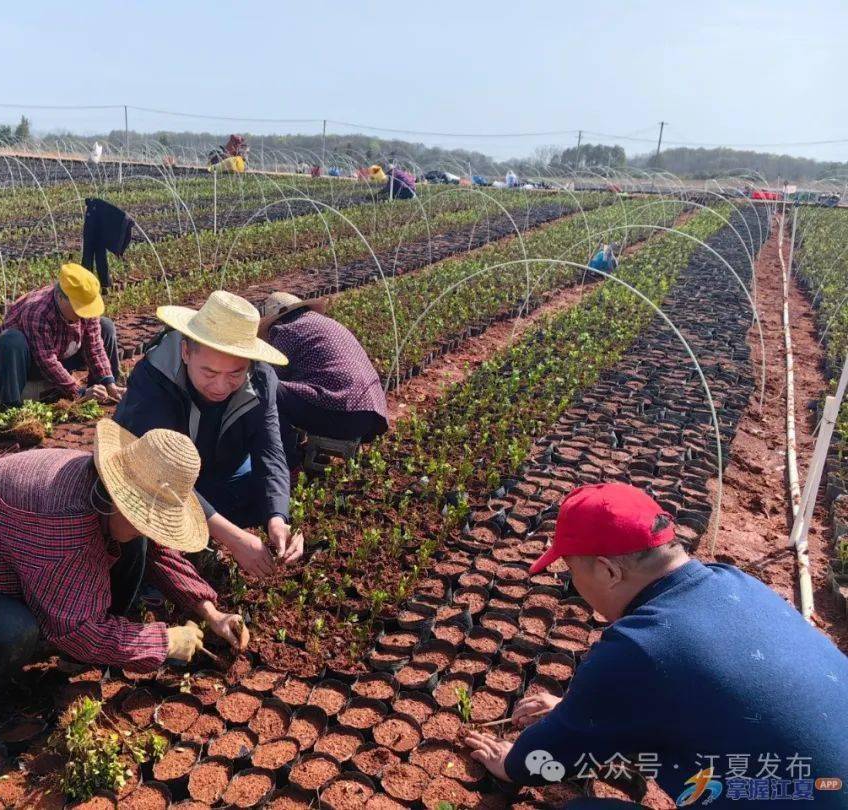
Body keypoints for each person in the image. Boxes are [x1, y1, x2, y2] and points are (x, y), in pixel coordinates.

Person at [462, 482, 848, 808]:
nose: (574, 586)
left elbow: (548, 759)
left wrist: (512, 762)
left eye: (572, 572)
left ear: (608, 571)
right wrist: (580, 711)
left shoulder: (639, 647)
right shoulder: (735, 582)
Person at [0, 422, 248, 750]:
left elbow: (157, 550)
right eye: (143, 519)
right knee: (14, 631)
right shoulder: (64, 527)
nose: (148, 528)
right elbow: (74, 628)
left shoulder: (106, 491)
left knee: (134, 545)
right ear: (115, 493)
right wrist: (163, 641)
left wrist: (209, 611)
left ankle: (82, 640)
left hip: (5, 564)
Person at [113, 290, 303, 579]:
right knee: (138, 524)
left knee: (270, 494)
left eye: (235, 374)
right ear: (186, 352)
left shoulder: (261, 379)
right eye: (209, 373)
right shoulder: (154, 380)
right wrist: (232, 537)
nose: (221, 386)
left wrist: (277, 517)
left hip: (221, 476)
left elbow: (270, 451)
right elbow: (159, 472)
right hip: (155, 482)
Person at [258, 292, 388, 468]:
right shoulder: (326, 323)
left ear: (277, 320)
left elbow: (273, 375)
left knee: (265, 388)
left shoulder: (285, 330)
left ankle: (288, 464)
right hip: (371, 417)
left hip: (342, 415)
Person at [0, 263, 123, 407]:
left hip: (62, 353)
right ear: (61, 297)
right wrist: (78, 392)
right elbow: (47, 361)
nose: (83, 314)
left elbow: (95, 347)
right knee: (11, 340)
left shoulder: (85, 304)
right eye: (78, 308)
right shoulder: (37, 311)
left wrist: (108, 382)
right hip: (30, 365)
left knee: (106, 326)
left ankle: (100, 392)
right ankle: (11, 404)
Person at [82, 197, 134, 293]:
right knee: (91, 257)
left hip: (97, 230)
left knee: (96, 256)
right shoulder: (98, 209)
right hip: (95, 230)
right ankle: (92, 284)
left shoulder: (99, 209)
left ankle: (101, 284)